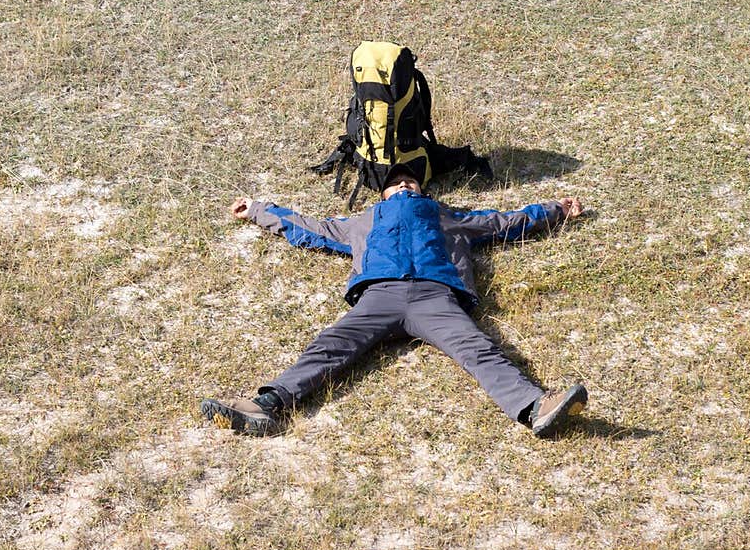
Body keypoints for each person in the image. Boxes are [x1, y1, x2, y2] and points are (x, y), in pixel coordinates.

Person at [201, 163, 588, 438]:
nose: (404, 186)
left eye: (411, 183)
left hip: (436, 297)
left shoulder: (446, 216)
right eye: (396, 184)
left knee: (479, 348)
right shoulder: (361, 222)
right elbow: (310, 228)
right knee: (330, 345)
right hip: (379, 296)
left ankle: (536, 407)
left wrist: (555, 210)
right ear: (383, 193)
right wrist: (257, 211)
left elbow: (503, 221)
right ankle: (266, 406)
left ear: (422, 191)